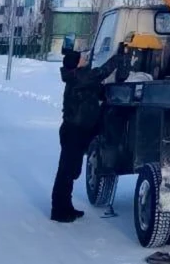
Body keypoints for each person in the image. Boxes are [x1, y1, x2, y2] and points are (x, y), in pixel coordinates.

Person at [50, 43, 126, 222]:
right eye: (81, 58)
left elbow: (97, 91)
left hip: (78, 130)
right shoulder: (79, 77)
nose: (84, 58)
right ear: (76, 64)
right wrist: (118, 56)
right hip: (73, 131)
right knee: (66, 172)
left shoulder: (80, 78)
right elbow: (101, 73)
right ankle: (59, 211)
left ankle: (66, 207)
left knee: (71, 171)